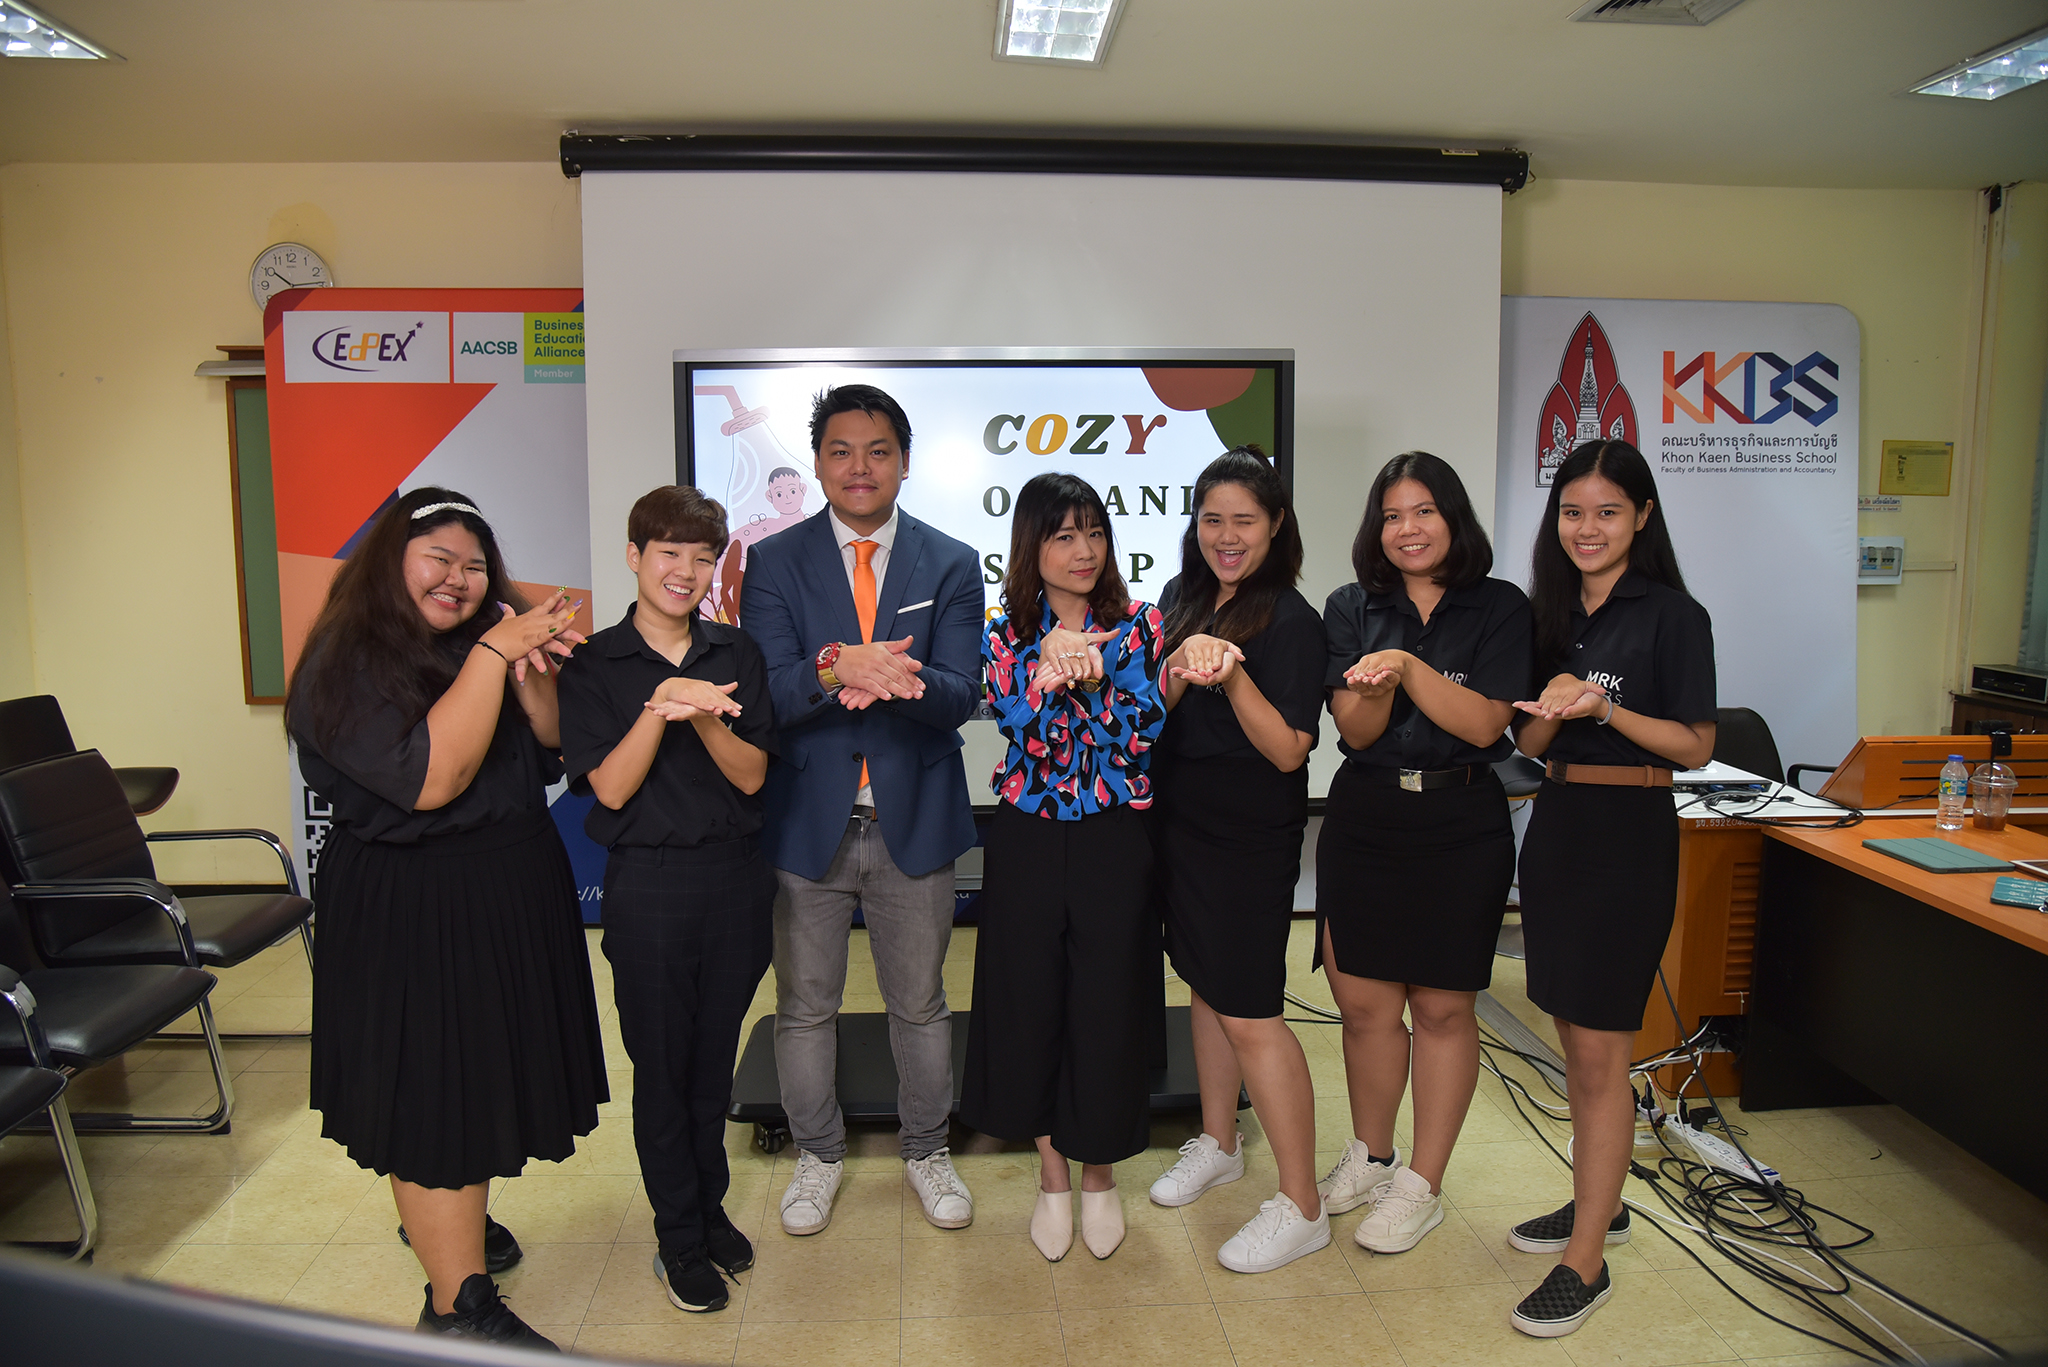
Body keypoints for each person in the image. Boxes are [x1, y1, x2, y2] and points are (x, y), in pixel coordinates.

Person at [285, 487, 606, 1350]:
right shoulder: (346, 659)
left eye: (474, 565)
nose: (458, 579)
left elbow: (552, 742)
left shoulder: (481, 642)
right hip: (415, 903)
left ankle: (448, 1223)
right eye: (439, 559)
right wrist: (496, 652)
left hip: (503, 883)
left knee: (478, 1078)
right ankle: (458, 1308)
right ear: (390, 560)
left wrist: (527, 661)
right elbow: (435, 779)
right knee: (432, 1094)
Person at [741, 384, 984, 1236]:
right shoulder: (774, 561)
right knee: (806, 1004)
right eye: (841, 450)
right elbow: (770, 693)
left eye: (878, 451)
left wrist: (891, 673)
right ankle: (818, 1153)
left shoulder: (950, 560)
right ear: (816, 463)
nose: (859, 467)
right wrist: (838, 665)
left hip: (912, 818)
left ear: (904, 462)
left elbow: (961, 692)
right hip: (806, 819)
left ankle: (927, 1148)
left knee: (919, 1003)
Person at [1506, 439, 1715, 1338]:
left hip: (1630, 836)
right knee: (1572, 1037)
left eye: (1607, 512)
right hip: (1558, 828)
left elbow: (1696, 744)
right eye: (1572, 512)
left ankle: (1586, 1260)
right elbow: (1528, 746)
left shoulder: (1672, 614)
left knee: (1601, 1054)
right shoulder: (1548, 613)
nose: (1586, 529)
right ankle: (1605, 1201)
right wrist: (1547, 712)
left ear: (1643, 516)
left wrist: (1603, 704)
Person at [556, 485, 778, 1315]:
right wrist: (663, 706)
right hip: (648, 884)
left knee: (711, 1063)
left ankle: (709, 1208)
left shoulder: (737, 650)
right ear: (635, 556)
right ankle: (677, 1234)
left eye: (701, 556)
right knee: (662, 1066)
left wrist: (708, 714)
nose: (685, 570)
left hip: (735, 879)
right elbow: (611, 788)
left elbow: (752, 775)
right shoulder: (596, 663)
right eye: (668, 552)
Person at [1311, 452, 1533, 1259]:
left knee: (1442, 1009)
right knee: (1366, 1007)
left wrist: (1405, 666)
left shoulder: (1501, 606)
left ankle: (1422, 1183)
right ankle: (1372, 1156)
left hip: (1460, 820)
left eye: (1424, 511)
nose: (1407, 529)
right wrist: (1374, 691)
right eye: (1392, 515)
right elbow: (1356, 729)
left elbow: (1484, 724)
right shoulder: (1350, 606)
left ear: (1453, 518)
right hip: (1367, 815)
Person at [961, 472, 1167, 1263]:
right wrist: (1047, 666)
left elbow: (1143, 732)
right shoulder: (1002, 630)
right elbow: (1018, 723)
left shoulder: (1139, 624)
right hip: (1029, 833)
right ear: (1033, 545)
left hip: (1115, 833)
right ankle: (1051, 1174)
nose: (1084, 550)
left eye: (1095, 532)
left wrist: (1098, 673)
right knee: (1031, 999)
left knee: (1107, 1000)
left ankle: (1100, 1172)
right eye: (1064, 534)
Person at [1142, 447, 1330, 1274]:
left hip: (1248, 838)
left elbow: (1289, 750)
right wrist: (1180, 670)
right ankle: (1219, 1140)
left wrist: (1229, 672)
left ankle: (1303, 1203)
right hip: (1176, 825)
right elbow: (1144, 716)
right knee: (1204, 985)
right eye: (1211, 519)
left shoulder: (1293, 619)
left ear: (1275, 524)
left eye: (1243, 521)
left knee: (1252, 1011)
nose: (1226, 535)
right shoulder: (1178, 597)